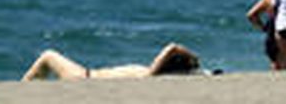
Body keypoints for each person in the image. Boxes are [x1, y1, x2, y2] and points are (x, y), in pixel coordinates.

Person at [21, 43, 200, 81]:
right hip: (85, 76)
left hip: (84, 77)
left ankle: (23, 88)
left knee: (48, 55)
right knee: (48, 59)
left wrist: (193, 57)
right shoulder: (149, 75)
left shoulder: (149, 74)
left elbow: (172, 47)